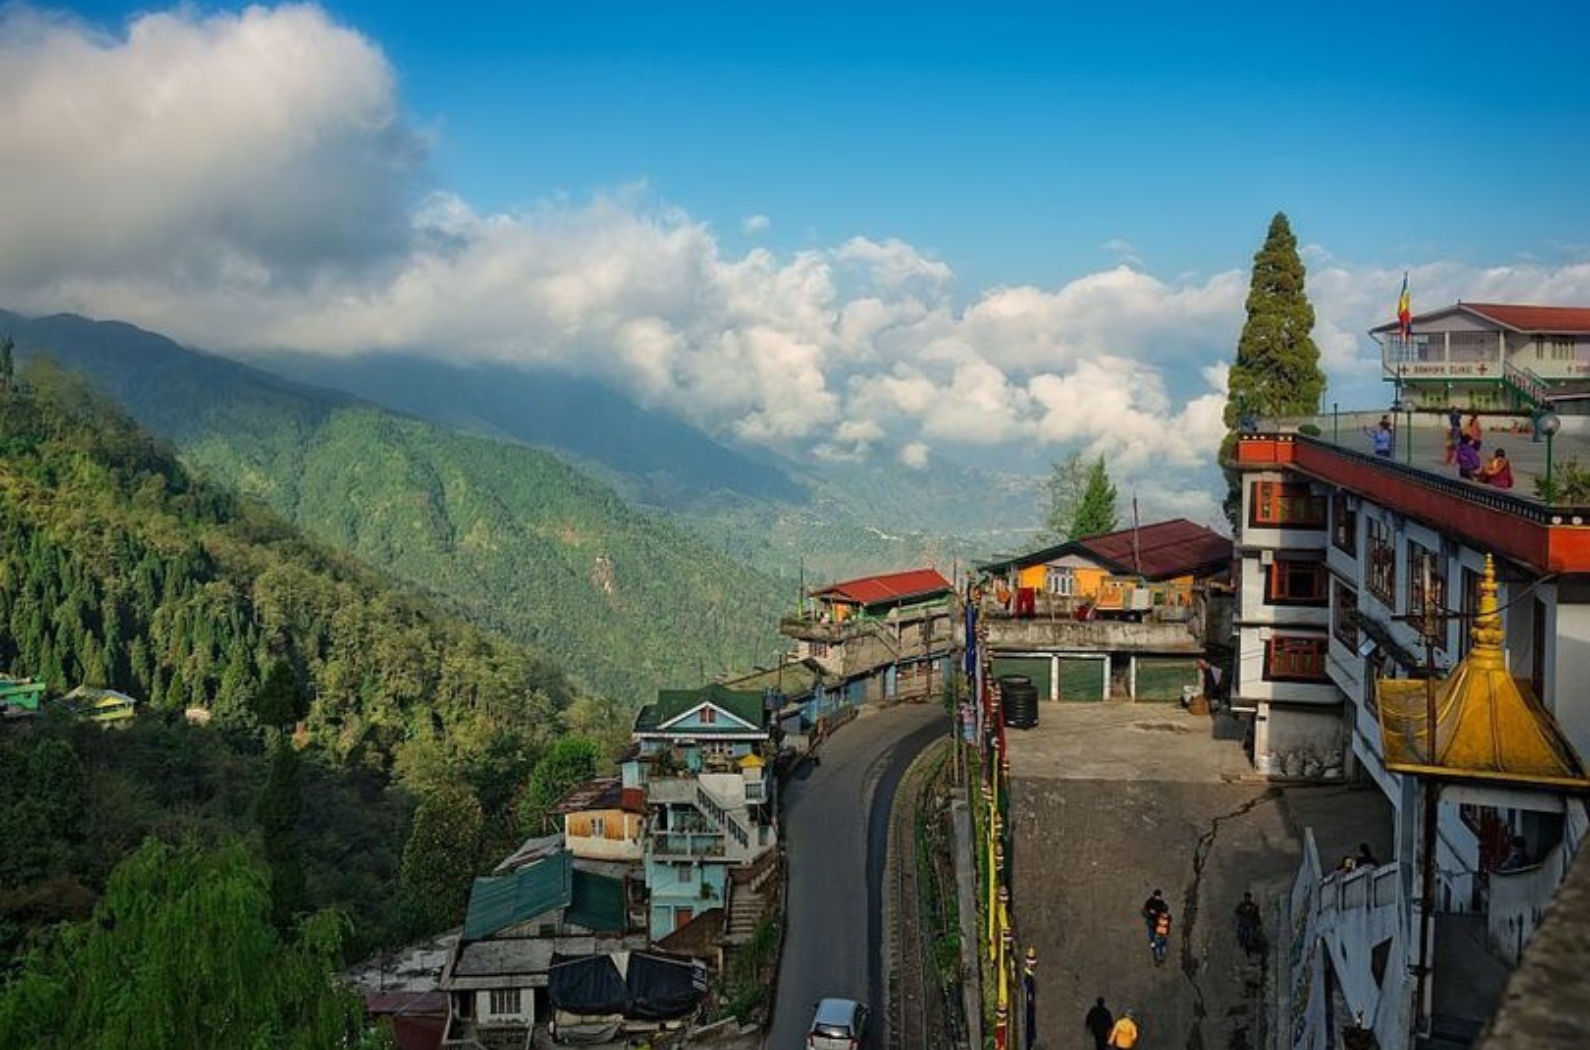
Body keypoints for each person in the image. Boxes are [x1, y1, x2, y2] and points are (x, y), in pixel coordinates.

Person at [1235, 891, 1262, 957]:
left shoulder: (1253, 906)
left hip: (1250, 925)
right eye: (1246, 897)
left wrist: (1258, 923)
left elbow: (1257, 916)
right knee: (1241, 934)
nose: (1247, 899)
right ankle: (1242, 944)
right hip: (1243, 924)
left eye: (1248, 897)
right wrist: (1240, 918)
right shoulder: (1241, 905)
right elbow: (1236, 912)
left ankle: (1250, 949)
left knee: (1250, 935)